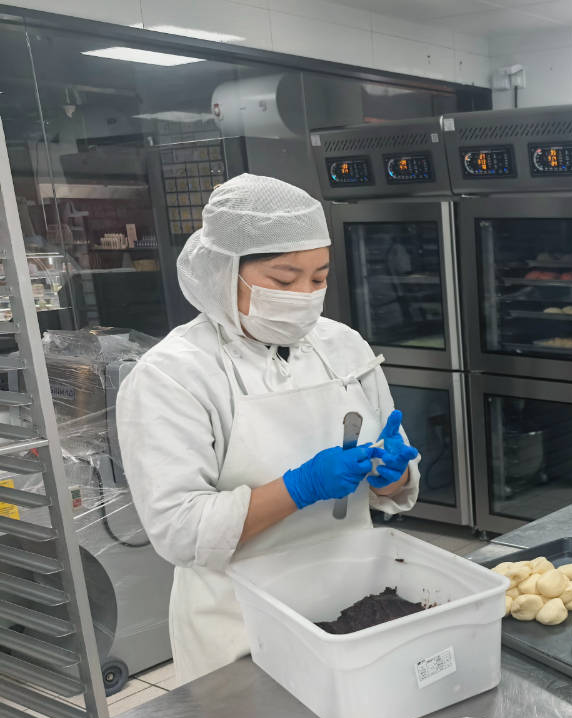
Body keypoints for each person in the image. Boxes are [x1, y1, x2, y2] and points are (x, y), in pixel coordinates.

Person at [117, 174, 420, 684]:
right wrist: (300, 487)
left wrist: (392, 475)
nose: (304, 295)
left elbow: (394, 483)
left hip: (353, 598)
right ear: (223, 272)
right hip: (238, 624)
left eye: (319, 279)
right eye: (283, 280)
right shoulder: (173, 374)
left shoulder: (343, 347)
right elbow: (180, 531)